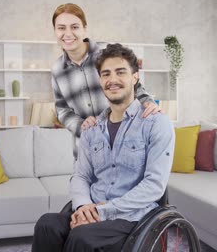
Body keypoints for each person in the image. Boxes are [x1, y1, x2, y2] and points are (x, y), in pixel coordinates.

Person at [32, 43, 175, 252]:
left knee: (82, 237)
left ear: (135, 77)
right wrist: (83, 207)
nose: (112, 80)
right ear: (100, 81)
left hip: (131, 217)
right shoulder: (92, 128)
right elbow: (81, 176)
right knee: (47, 225)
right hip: (93, 208)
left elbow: (154, 185)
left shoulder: (156, 123)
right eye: (106, 74)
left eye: (120, 72)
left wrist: (103, 211)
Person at [51, 3, 160, 139]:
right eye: (61, 28)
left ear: (84, 29)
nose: (68, 33)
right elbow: (62, 109)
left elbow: (135, 86)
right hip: (86, 149)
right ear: (55, 31)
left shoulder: (108, 53)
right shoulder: (57, 70)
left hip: (127, 142)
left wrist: (148, 103)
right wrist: (80, 125)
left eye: (74, 27)